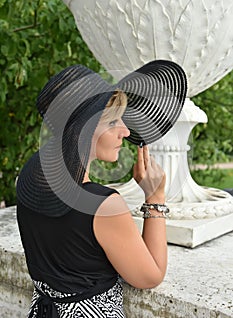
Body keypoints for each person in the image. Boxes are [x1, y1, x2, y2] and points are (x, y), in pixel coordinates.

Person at [16, 60, 187, 318]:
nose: (125, 131)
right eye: (112, 123)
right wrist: (155, 197)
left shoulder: (29, 181)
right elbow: (150, 276)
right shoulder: (103, 206)